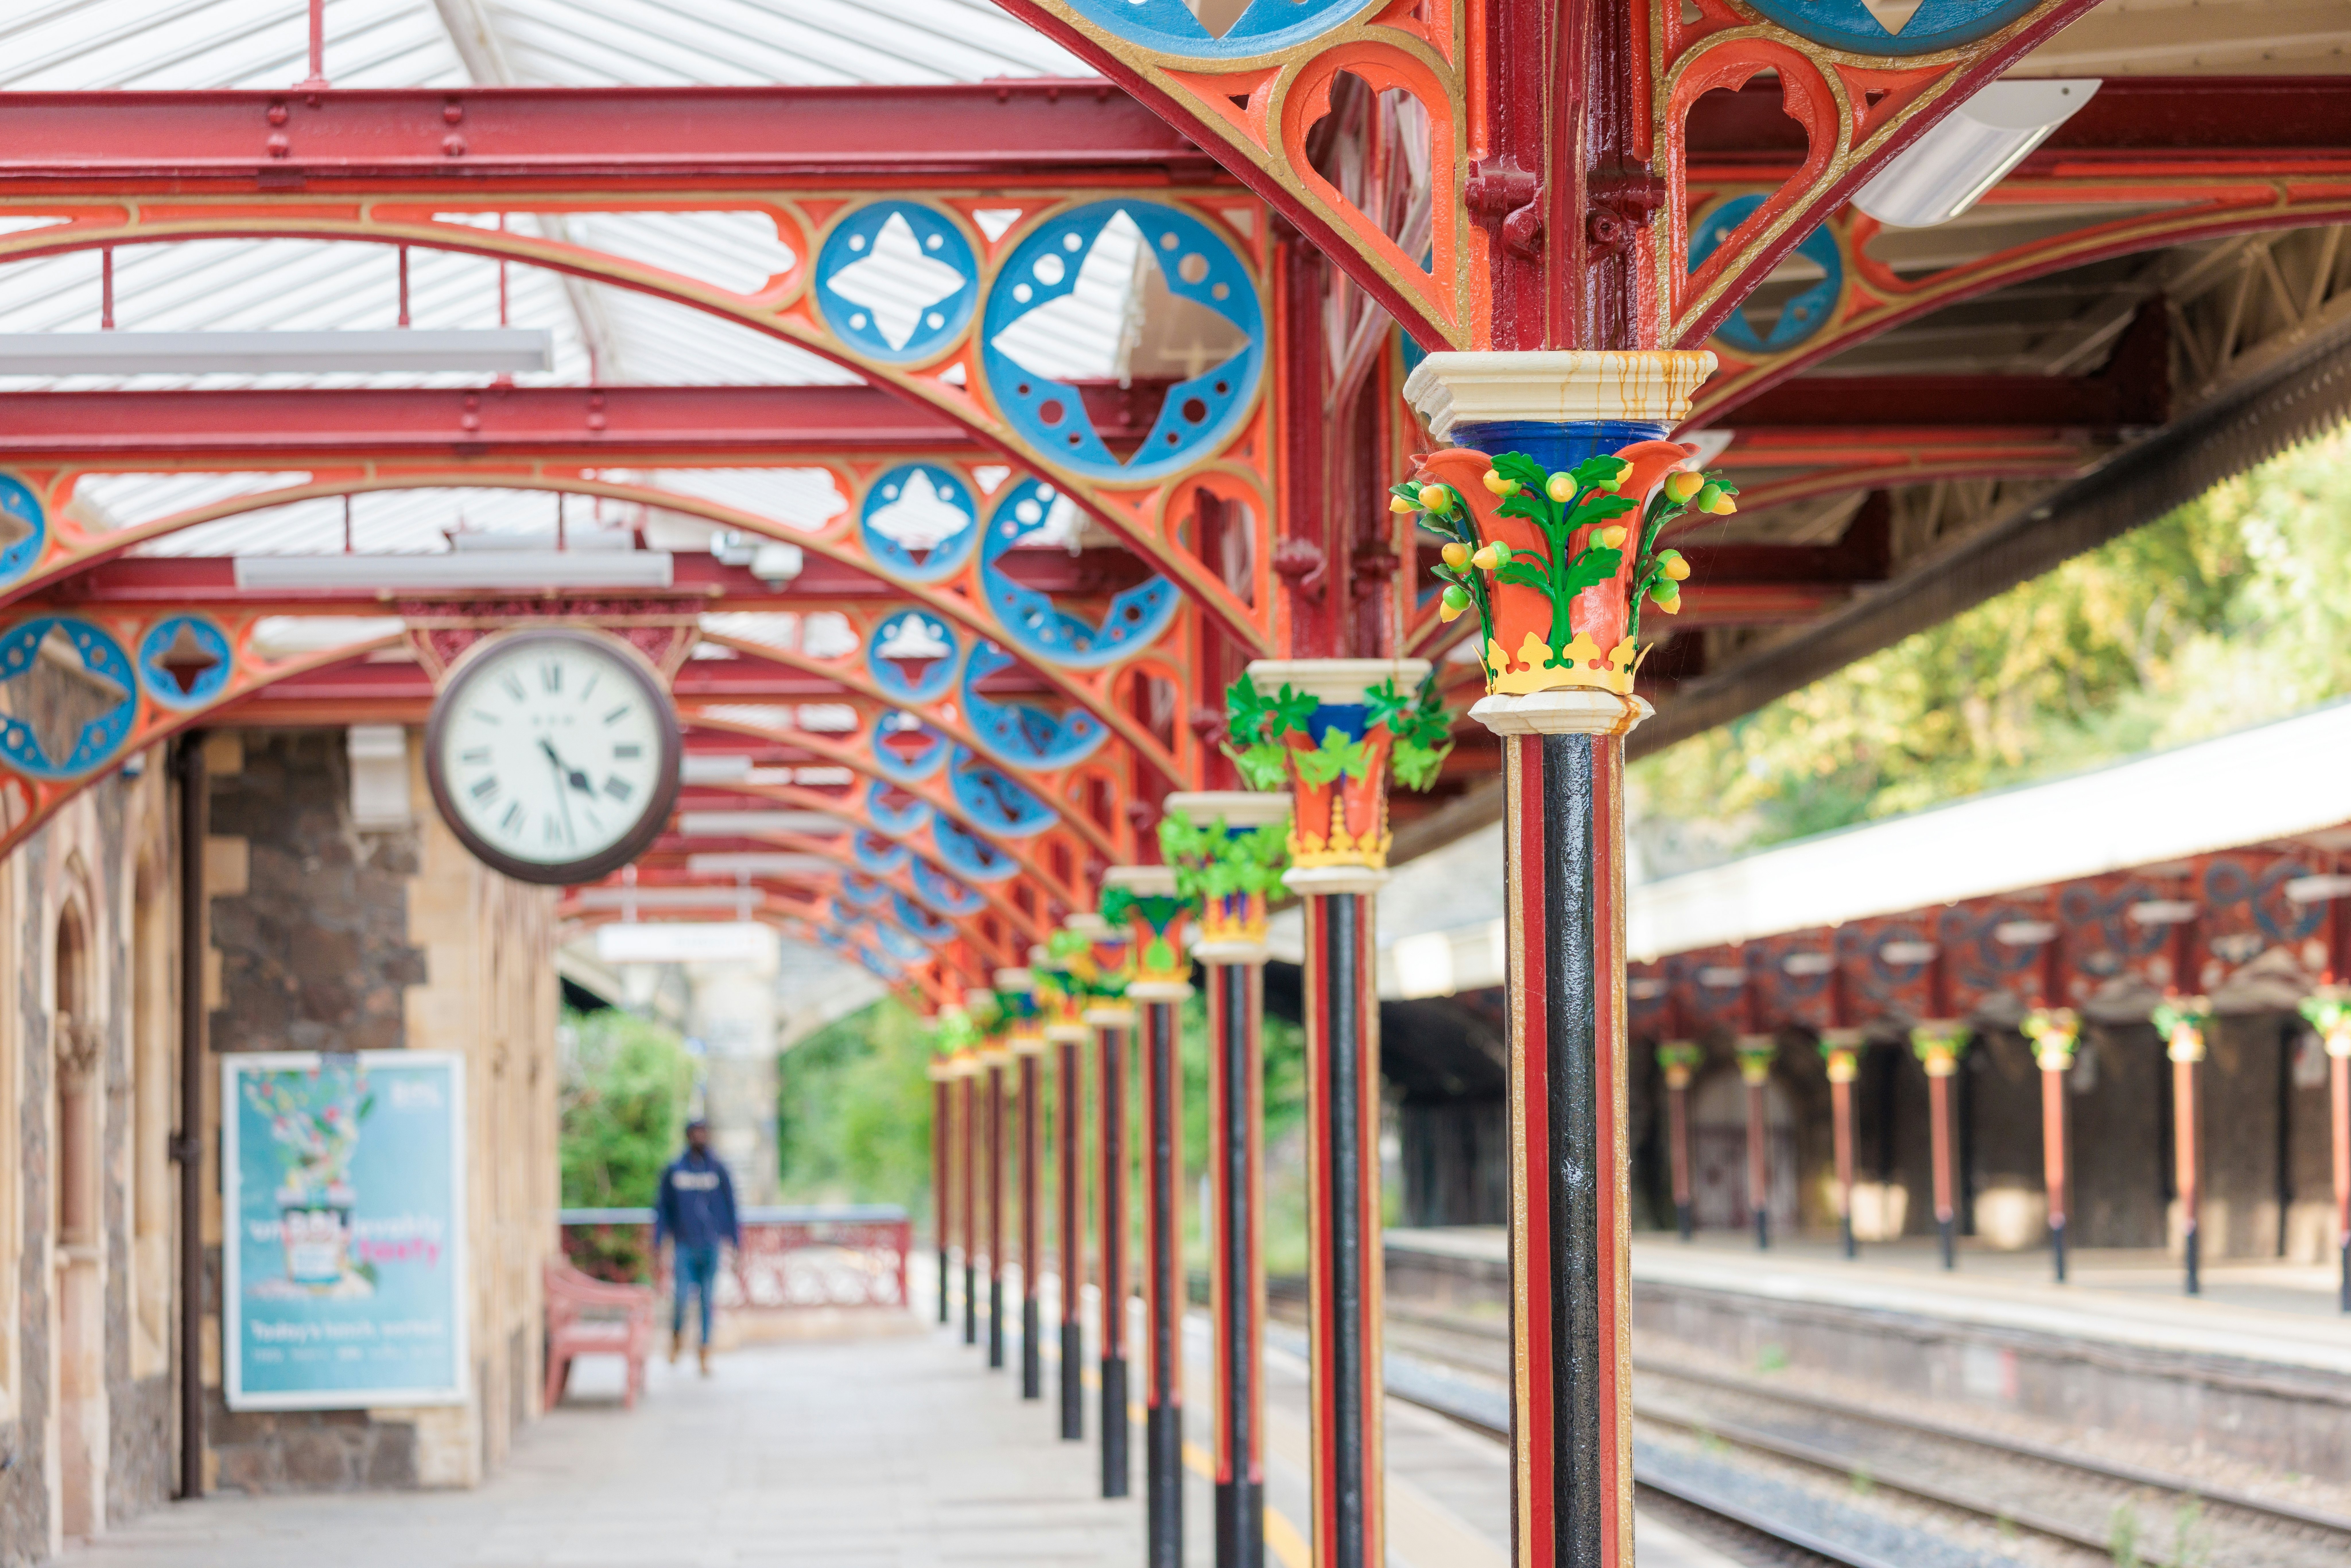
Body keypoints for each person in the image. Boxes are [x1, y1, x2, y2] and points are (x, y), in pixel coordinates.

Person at [653, 1118, 740, 1375]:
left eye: (705, 1133)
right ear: (689, 1136)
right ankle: (677, 1336)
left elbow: (731, 1207)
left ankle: (704, 1352)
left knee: (707, 1300)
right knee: (680, 1297)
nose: (700, 1138)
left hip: (711, 1245)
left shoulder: (718, 1169)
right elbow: (663, 1210)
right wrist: (659, 1244)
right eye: (696, 1133)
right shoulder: (674, 1170)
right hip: (684, 1246)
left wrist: (735, 1243)